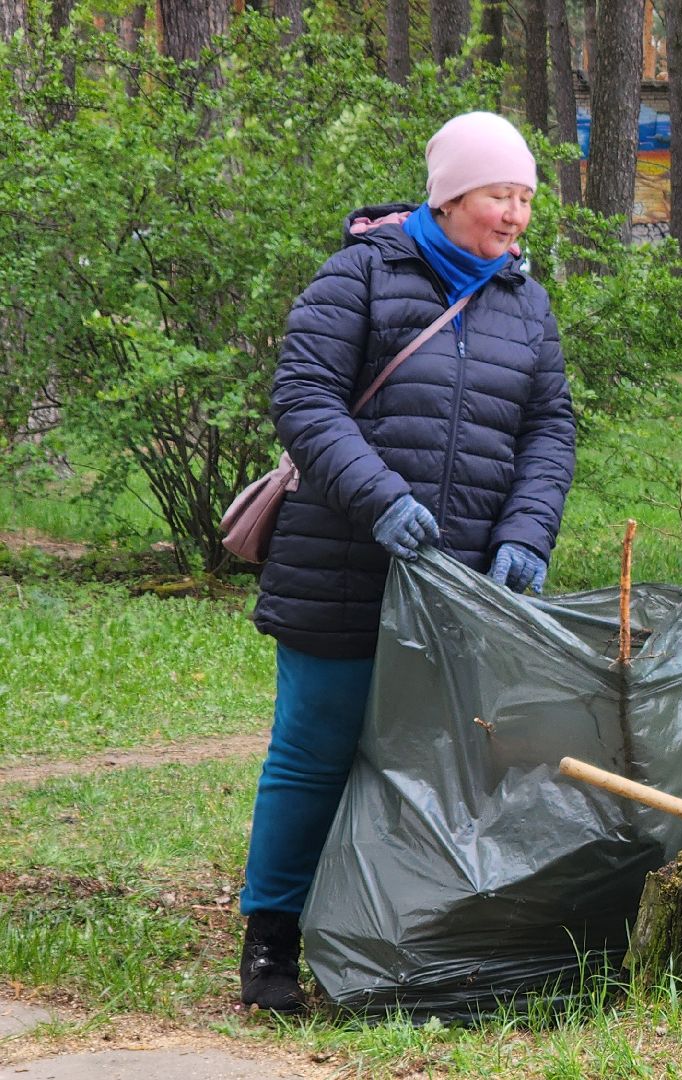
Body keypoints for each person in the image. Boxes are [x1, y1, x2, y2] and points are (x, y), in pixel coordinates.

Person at [239, 111, 576, 1013]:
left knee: (431, 763)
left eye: (526, 199)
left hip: (454, 583)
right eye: (501, 195)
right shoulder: (361, 276)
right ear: (451, 194)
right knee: (314, 753)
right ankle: (271, 936)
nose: (516, 217)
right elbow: (303, 397)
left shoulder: (525, 302)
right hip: (342, 561)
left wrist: (524, 534)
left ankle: (389, 931)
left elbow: (550, 428)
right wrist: (380, 496)